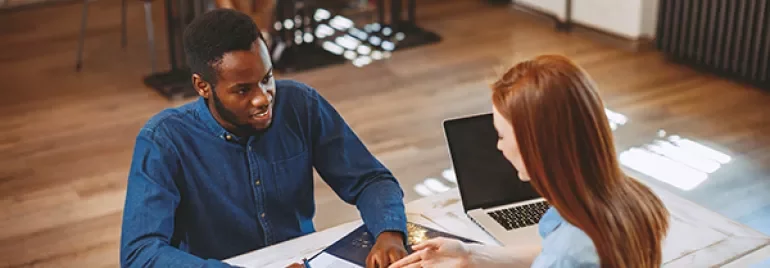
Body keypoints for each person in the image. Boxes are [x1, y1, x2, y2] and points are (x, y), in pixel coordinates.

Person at [120, 9, 409, 268]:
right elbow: (141, 255)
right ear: (202, 86)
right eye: (243, 90)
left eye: (267, 78)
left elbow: (370, 180)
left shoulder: (300, 104)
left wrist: (389, 232)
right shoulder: (163, 141)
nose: (263, 98)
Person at [389, 55, 671, 268]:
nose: (499, 147)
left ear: (534, 146)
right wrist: (471, 255)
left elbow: (560, 256)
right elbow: (550, 251)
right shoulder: (630, 198)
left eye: (501, 135)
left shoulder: (570, 251)